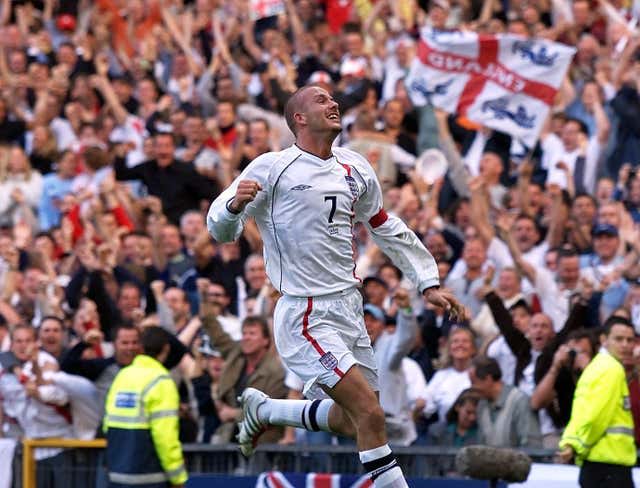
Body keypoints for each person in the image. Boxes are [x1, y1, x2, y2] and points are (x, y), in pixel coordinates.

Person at [207, 85, 463, 487]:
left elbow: (383, 225)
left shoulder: (355, 166)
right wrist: (235, 205)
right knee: (371, 415)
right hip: (305, 314)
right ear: (299, 118)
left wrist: (426, 279)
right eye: (321, 100)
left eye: (333, 98)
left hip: (349, 308)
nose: (334, 104)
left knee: (354, 419)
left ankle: (267, 411)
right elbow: (219, 229)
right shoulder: (271, 168)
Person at [104, 327, 187, 488]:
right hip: (150, 477)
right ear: (166, 349)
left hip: (117, 475)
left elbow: (108, 424)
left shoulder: (123, 376)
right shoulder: (161, 381)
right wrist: (178, 477)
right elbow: (165, 436)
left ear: (140, 347)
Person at [558, 317, 636, 488]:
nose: (625, 345)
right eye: (619, 339)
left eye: (630, 340)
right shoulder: (613, 370)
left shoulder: (595, 367)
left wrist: (571, 442)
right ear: (603, 340)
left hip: (596, 466)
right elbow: (596, 416)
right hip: (610, 465)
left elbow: (580, 412)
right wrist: (579, 446)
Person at [469, 356, 542, 448]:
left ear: (488, 379)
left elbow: (532, 444)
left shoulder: (519, 401)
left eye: (473, 382)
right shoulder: (481, 406)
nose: (472, 387)